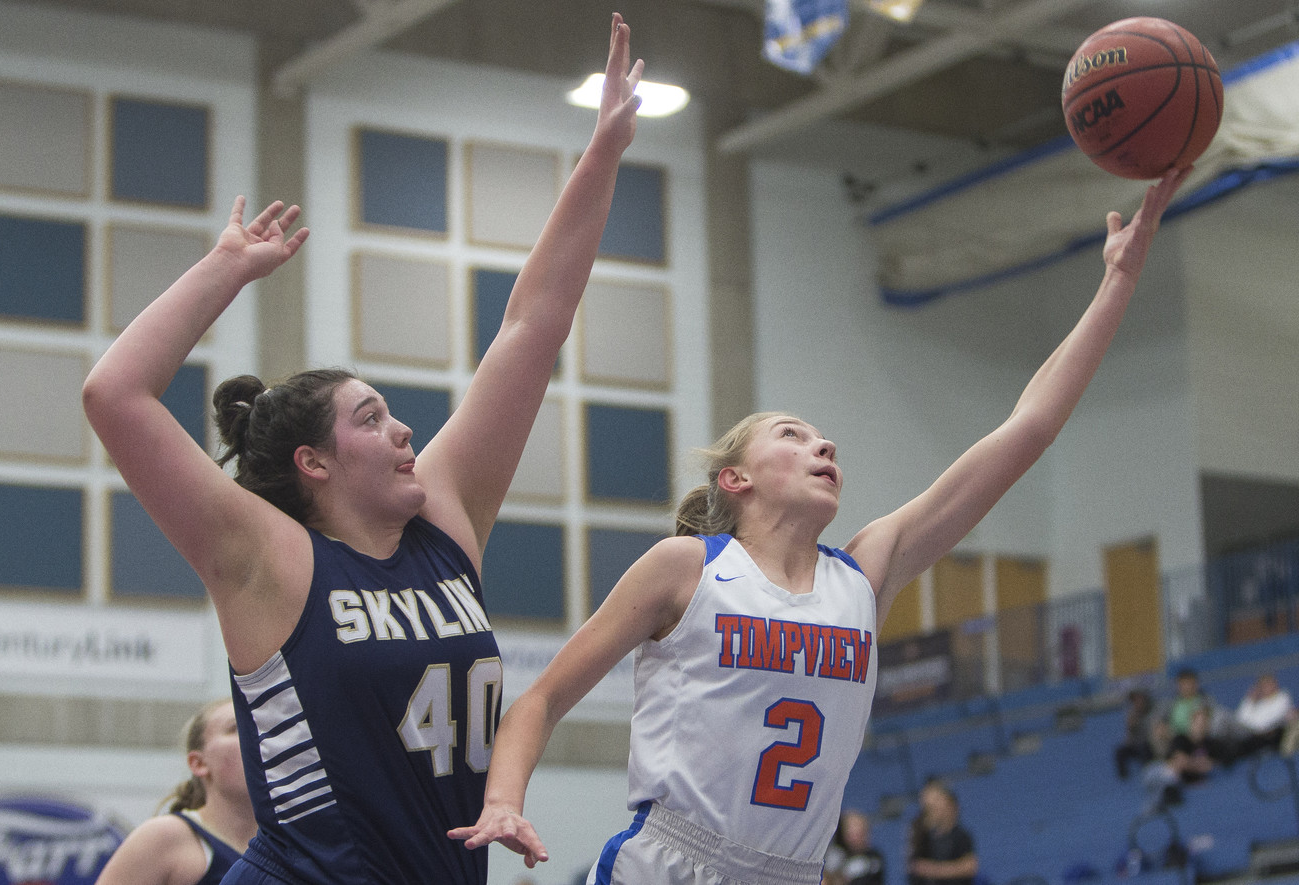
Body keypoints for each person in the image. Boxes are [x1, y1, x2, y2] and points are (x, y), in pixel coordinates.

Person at [450, 165, 1189, 885]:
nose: (823, 445)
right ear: (734, 479)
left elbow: (1028, 429)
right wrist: (505, 803)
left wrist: (1118, 282)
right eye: (793, 435)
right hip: (673, 862)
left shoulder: (864, 572)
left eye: (823, 438)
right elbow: (540, 699)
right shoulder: (687, 567)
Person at [82, 14, 643, 885]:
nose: (406, 430)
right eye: (373, 417)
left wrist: (602, 155)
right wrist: (224, 270)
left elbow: (533, 325)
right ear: (315, 461)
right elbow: (114, 395)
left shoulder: (445, 522)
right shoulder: (269, 560)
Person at [96, 699, 255, 885]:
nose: (255, 735)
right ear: (199, 763)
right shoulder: (166, 837)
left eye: (260, 726)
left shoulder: (288, 843)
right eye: (235, 727)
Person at [907, 781, 977, 885]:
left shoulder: (961, 836)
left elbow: (970, 867)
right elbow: (915, 866)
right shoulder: (926, 837)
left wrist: (934, 870)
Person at [1231, 672, 1297, 759]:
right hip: (1256, 737)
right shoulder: (1259, 703)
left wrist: (1252, 723)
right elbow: (1239, 720)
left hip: (1276, 736)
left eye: (1269, 683)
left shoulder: (1283, 698)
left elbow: (1263, 723)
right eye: (1263, 685)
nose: (1266, 687)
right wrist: (1249, 700)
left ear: (1275, 684)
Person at [825, 810, 885, 885]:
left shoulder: (874, 858)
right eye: (851, 831)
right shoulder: (836, 854)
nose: (855, 837)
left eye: (859, 832)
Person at [1114, 688, 1156, 780]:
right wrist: (1131, 727)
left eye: (1140, 699)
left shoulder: (1154, 713)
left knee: (1145, 748)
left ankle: (1149, 774)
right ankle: (1123, 776)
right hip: (1136, 745)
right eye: (1135, 701)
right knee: (1120, 751)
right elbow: (1129, 739)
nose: (1138, 703)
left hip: (1150, 746)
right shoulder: (1132, 716)